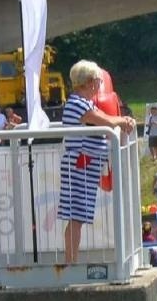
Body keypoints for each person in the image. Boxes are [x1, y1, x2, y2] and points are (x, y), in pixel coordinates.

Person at [58, 60, 136, 263]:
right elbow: (106, 120)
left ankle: (71, 261)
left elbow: (104, 117)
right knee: (76, 216)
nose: (99, 84)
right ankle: (70, 262)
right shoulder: (78, 104)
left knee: (78, 216)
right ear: (89, 82)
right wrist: (123, 120)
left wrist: (121, 120)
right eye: (98, 81)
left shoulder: (84, 103)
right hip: (79, 165)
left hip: (85, 164)